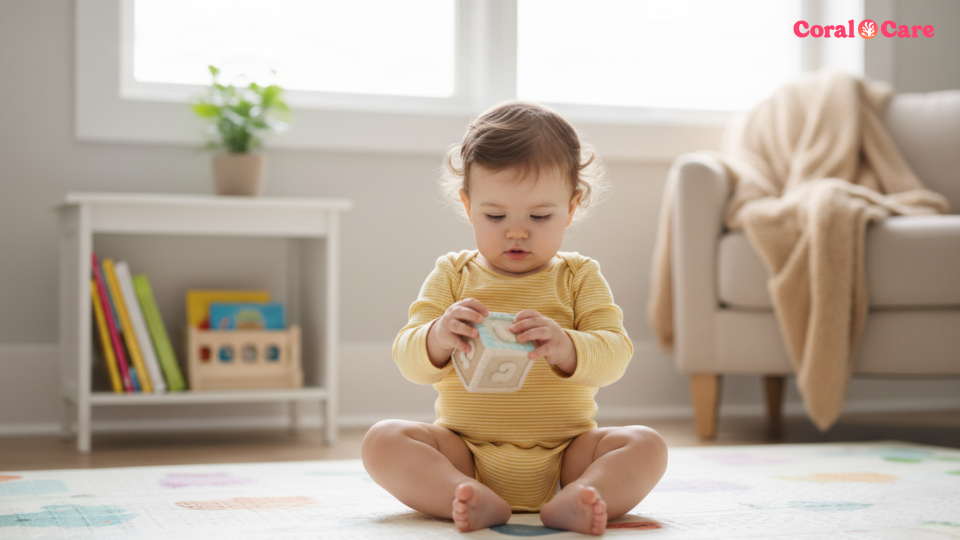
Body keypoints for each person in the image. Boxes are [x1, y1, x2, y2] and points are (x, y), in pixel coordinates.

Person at [361, 101, 667, 536]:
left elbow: (615, 355)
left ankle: (577, 499)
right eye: (495, 215)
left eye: (540, 216)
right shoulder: (452, 273)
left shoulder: (580, 276)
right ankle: (462, 494)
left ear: (572, 206)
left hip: (568, 458)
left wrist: (567, 347)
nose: (517, 231)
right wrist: (438, 335)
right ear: (468, 206)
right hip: (463, 454)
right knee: (383, 439)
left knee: (646, 445)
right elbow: (409, 361)